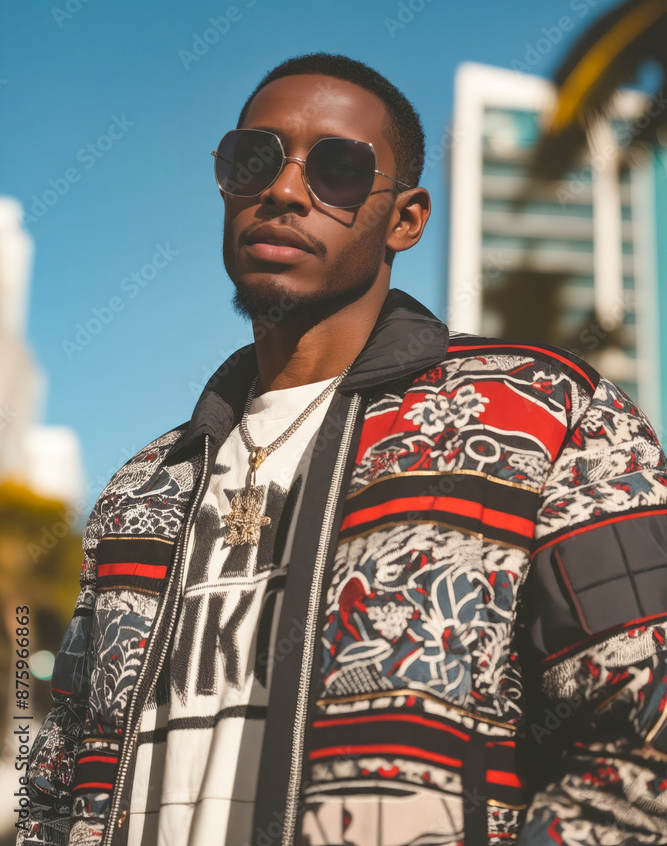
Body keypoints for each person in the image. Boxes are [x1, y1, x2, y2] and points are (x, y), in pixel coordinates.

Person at [19, 53, 667, 846]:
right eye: (253, 159)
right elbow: (55, 772)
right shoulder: (141, 487)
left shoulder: (544, 412)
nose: (284, 190)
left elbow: (640, 748)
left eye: (338, 169)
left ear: (405, 217)